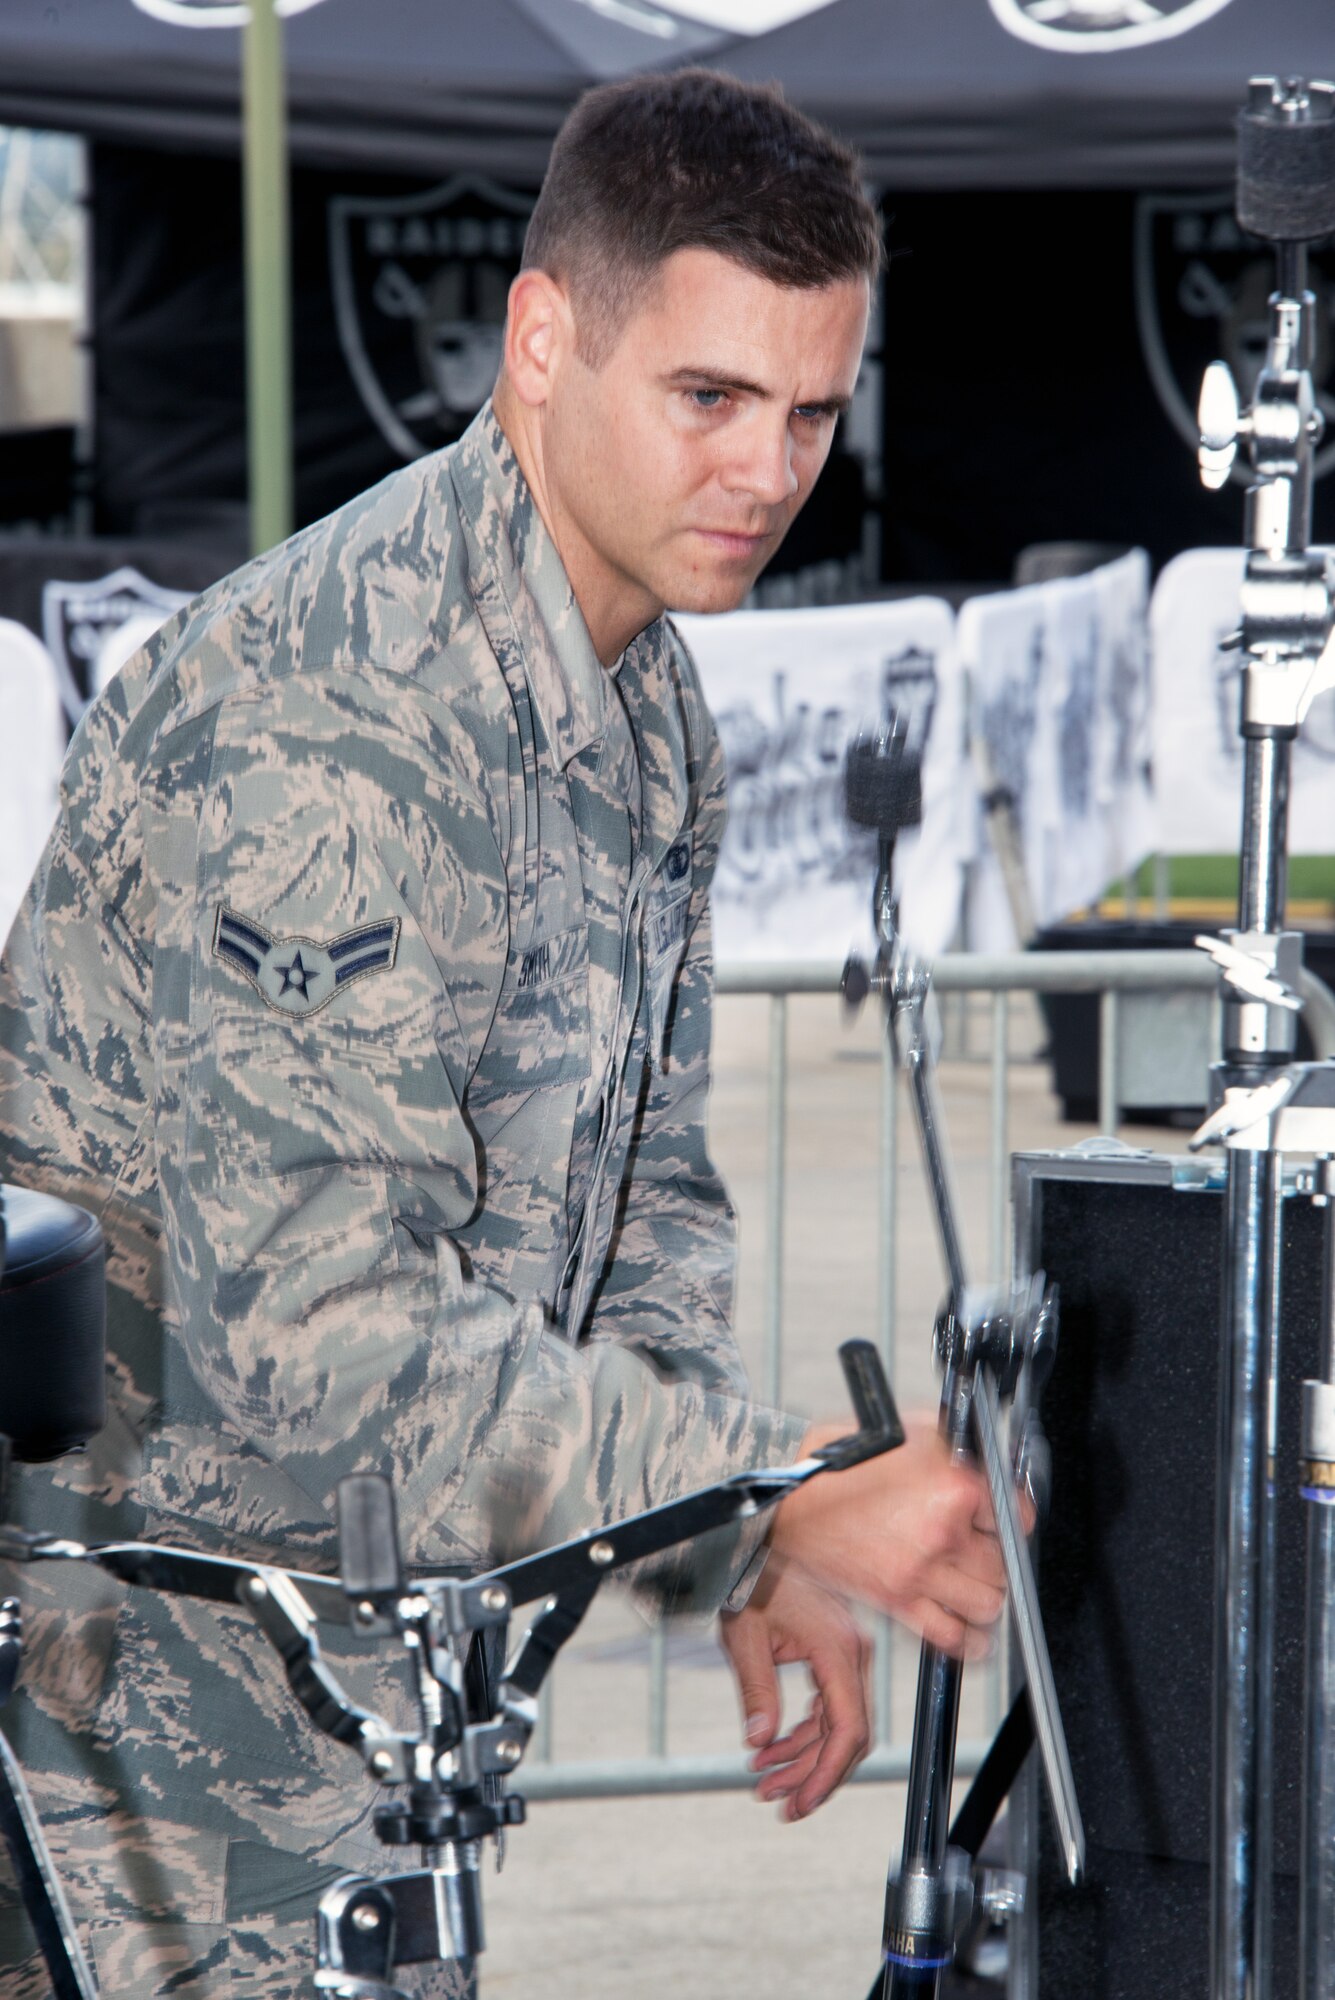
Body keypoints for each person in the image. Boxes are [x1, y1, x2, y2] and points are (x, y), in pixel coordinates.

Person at [0, 69, 1009, 1999]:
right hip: (137, 1719)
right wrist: (774, 1478)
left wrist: (745, 1540)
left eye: (811, 410)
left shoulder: (649, 712)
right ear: (542, 341)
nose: (771, 468)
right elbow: (323, 1340)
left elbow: (649, 1198)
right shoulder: (335, 718)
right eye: (709, 398)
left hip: (378, 1693)